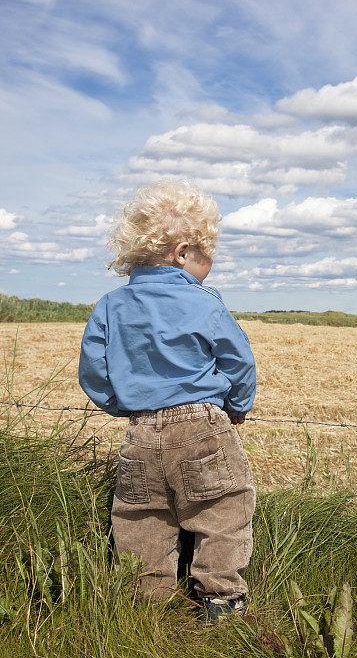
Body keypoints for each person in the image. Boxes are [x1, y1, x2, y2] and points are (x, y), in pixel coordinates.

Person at [78, 178, 256, 623]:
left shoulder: (110, 305)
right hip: (203, 425)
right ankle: (220, 599)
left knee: (142, 518)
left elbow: (94, 372)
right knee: (222, 509)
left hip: (139, 431)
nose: (210, 265)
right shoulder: (205, 302)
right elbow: (239, 362)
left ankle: (145, 605)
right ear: (182, 253)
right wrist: (237, 406)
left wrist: (125, 405)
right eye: (206, 254)